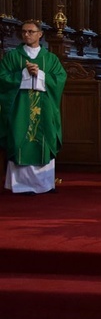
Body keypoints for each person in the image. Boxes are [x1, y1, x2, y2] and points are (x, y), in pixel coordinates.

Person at [0, 20, 67, 194]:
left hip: (45, 108)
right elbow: (2, 78)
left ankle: (44, 184)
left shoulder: (50, 58)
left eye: (30, 31)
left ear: (40, 34)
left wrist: (41, 74)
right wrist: (23, 74)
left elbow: (60, 79)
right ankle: (21, 185)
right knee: (19, 137)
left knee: (45, 137)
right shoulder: (12, 56)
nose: (26, 35)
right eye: (23, 32)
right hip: (19, 109)